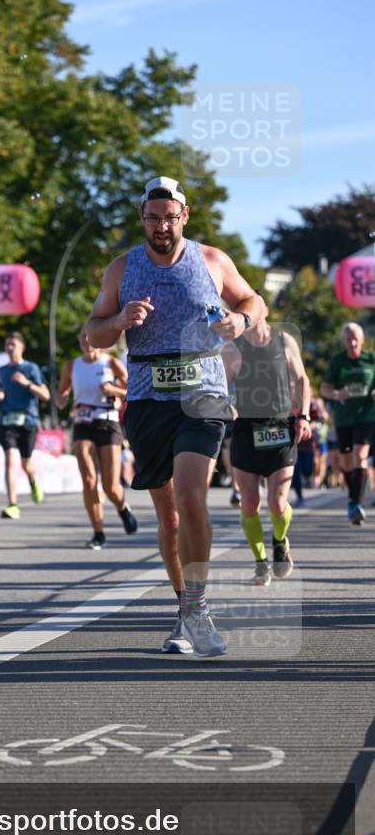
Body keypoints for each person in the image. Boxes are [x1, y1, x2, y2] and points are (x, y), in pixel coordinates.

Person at [86, 175, 261, 657]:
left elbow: (255, 300)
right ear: (142, 218)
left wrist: (240, 321)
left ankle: (200, 609)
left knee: (191, 496)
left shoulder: (211, 260)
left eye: (170, 217)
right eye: (153, 218)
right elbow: (94, 332)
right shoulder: (122, 268)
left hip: (202, 394)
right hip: (145, 398)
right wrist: (119, 322)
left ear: (184, 215)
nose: (162, 226)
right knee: (169, 517)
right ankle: (184, 607)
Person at [221, 295, 312, 585]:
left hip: (281, 426)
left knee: (277, 501)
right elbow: (220, 387)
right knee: (249, 504)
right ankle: (260, 561)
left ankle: (280, 541)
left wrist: (305, 415)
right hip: (246, 429)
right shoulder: (233, 349)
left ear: (265, 310)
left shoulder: (285, 342)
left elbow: (301, 380)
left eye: (255, 306)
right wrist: (227, 405)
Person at [56, 325, 137, 548]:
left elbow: (134, 389)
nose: (86, 340)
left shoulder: (110, 363)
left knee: (111, 486)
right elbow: (61, 392)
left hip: (108, 423)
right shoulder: (72, 366)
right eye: (82, 336)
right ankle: (98, 532)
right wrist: (61, 399)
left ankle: (122, 507)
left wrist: (114, 391)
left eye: (89, 336)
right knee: (89, 479)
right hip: (83, 422)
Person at [320, 323, 375, 525]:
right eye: (348, 339)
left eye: (355, 338)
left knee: (360, 456)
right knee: (345, 462)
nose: (352, 342)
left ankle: (356, 504)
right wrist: (335, 394)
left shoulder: (371, 359)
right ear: (344, 341)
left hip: (366, 416)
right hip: (343, 418)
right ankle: (353, 499)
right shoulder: (338, 361)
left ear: (361, 340)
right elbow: (324, 388)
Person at [0, 331, 49, 519]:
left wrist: (26, 383)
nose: (10, 348)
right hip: (7, 420)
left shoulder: (31, 368)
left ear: (21, 347)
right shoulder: (2, 371)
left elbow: (45, 395)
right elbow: (0, 389)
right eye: (7, 344)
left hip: (28, 421)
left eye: (13, 345)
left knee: (26, 463)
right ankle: (12, 504)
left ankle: (33, 481)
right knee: (10, 458)